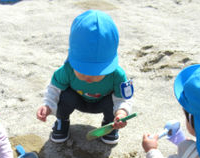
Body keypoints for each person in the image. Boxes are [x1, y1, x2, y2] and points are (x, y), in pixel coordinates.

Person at [36, 10, 134, 145]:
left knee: (113, 102)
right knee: (64, 95)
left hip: (102, 103)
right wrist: (47, 106)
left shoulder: (117, 75)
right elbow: (54, 89)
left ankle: (110, 125)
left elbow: (123, 98)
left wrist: (122, 113)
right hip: (78, 100)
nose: (89, 77)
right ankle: (62, 121)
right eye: (82, 70)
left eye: (97, 72)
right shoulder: (67, 69)